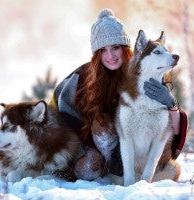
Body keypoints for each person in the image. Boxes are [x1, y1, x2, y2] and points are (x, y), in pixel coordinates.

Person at [50, 8, 187, 181]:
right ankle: (101, 166)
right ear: (96, 54)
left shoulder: (145, 68)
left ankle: (120, 168)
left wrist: (170, 104)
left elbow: (171, 128)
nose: (110, 56)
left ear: (125, 48)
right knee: (90, 159)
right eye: (103, 51)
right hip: (92, 141)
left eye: (115, 48)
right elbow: (61, 109)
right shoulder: (85, 76)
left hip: (136, 147)